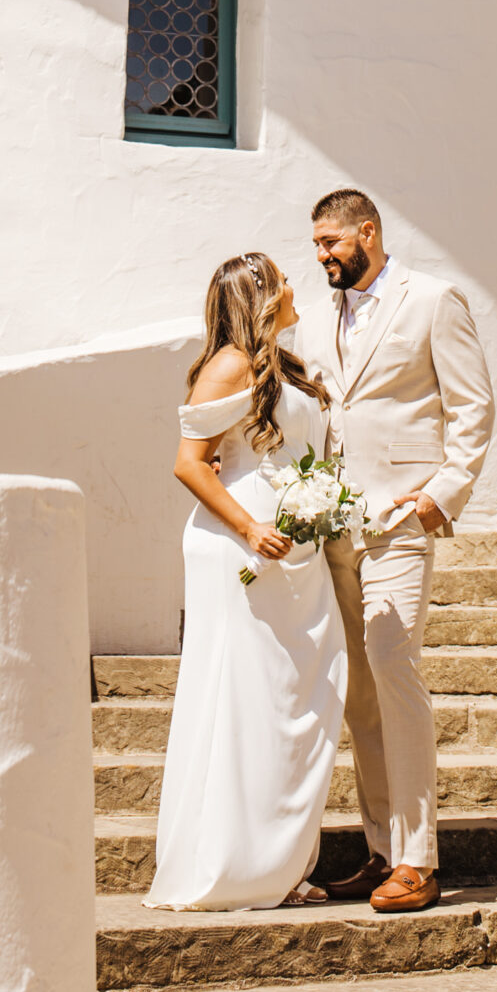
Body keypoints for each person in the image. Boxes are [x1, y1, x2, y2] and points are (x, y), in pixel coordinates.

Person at [300, 189, 494, 915]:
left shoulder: (433, 300)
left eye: (330, 242)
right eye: (316, 245)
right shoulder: (317, 321)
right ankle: (380, 849)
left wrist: (440, 494)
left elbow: (471, 406)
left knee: (393, 666)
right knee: (357, 692)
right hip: (334, 527)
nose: (321, 255)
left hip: (401, 520)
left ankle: (419, 858)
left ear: (367, 233)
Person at [146, 251, 348, 910]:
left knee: (294, 699)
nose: (295, 288)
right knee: (249, 698)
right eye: (284, 281)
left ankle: (277, 861)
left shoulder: (281, 367)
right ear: (260, 299)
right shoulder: (229, 365)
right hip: (243, 548)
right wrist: (247, 529)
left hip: (293, 546)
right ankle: (238, 868)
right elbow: (189, 463)